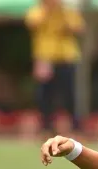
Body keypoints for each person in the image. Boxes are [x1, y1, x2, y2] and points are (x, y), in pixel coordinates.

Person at [25, 0, 84, 134]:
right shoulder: (37, 10)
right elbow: (32, 23)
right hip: (45, 58)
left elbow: (78, 28)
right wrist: (49, 10)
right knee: (45, 94)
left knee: (69, 93)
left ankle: (75, 126)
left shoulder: (68, 11)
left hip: (67, 57)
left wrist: (62, 12)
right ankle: (46, 126)